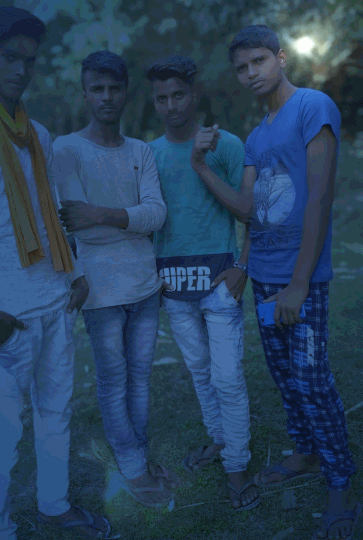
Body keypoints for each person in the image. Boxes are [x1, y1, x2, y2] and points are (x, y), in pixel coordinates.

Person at [196, 24, 359, 540]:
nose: (251, 73)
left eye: (259, 61)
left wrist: (299, 283)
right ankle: (306, 453)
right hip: (265, 280)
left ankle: (340, 481)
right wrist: (201, 167)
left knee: (312, 379)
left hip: (299, 279)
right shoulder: (255, 137)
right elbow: (249, 209)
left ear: (281, 58)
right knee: (286, 377)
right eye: (242, 68)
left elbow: (320, 198)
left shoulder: (313, 107)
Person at [0, 7, 113, 539]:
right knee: (2, 428)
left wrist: (76, 273)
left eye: (29, 60)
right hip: (4, 313)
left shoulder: (38, 134)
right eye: (8, 57)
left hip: (54, 297)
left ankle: (54, 503)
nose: (21, 70)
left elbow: (52, 217)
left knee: (56, 411)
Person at [53, 50, 179, 509]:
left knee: (140, 378)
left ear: (126, 93)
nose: (106, 97)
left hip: (144, 285)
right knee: (113, 379)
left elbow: (157, 214)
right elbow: (73, 223)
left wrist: (102, 215)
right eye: (97, 88)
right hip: (100, 289)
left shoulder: (140, 151)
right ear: (85, 93)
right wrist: (128, 219)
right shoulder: (67, 149)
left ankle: (137, 457)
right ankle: (132, 466)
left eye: (114, 88)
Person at [146, 55, 260, 512]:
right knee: (199, 371)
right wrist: (151, 274)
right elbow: (150, 219)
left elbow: (249, 211)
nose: (171, 106)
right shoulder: (148, 155)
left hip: (219, 282)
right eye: (161, 98)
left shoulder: (226, 144)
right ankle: (221, 439)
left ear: (194, 95)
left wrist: (243, 266)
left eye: (179, 95)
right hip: (173, 285)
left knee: (227, 376)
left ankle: (237, 464)